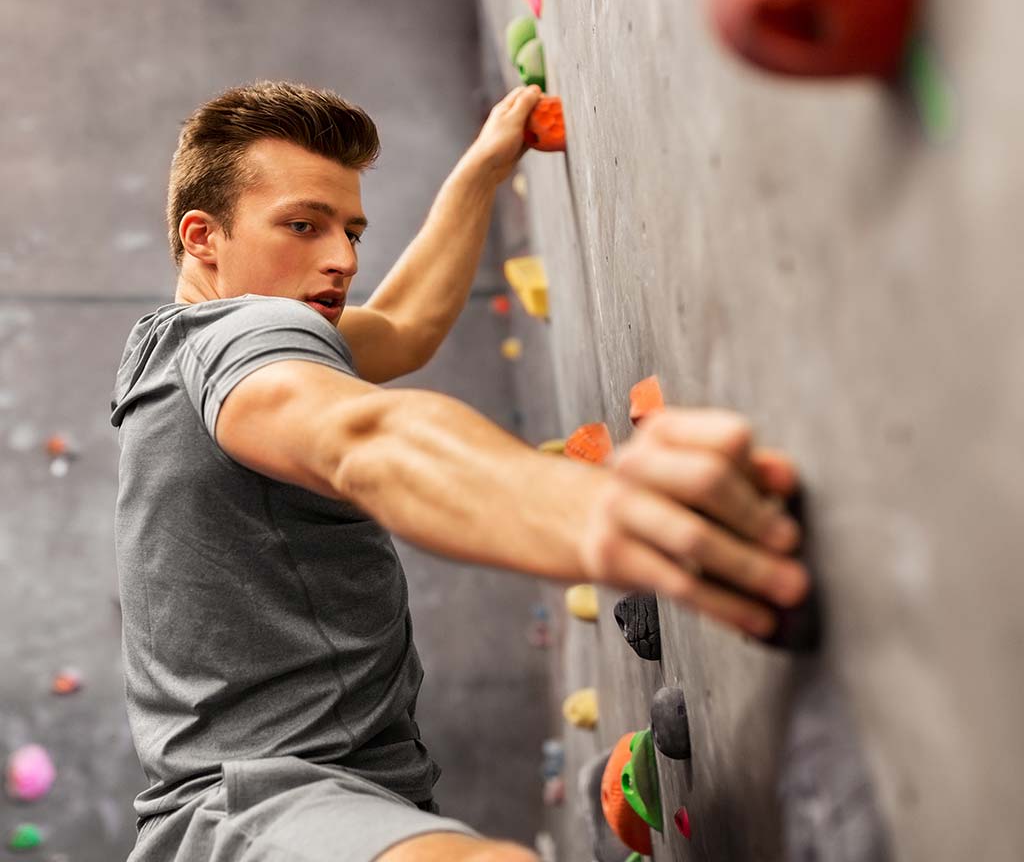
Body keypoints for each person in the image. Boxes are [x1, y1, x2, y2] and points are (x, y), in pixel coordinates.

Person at [110, 79, 809, 862]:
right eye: (303, 226)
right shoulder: (236, 337)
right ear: (202, 236)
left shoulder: (176, 352)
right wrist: (592, 511)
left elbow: (405, 326)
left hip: (319, 800)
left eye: (352, 231)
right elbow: (366, 439)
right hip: (255, 810)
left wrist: (484, 163)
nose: (341, 259)